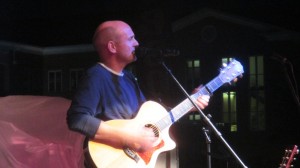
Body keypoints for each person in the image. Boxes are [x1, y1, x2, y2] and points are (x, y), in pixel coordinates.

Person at [66, 20, 210, 166]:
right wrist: (128, 137)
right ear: (112, 47)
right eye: (130, 38)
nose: (136, 43)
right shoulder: (95, 76)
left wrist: (189, 105)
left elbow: (150, 118)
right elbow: (77, 118)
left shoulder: (128, 77)